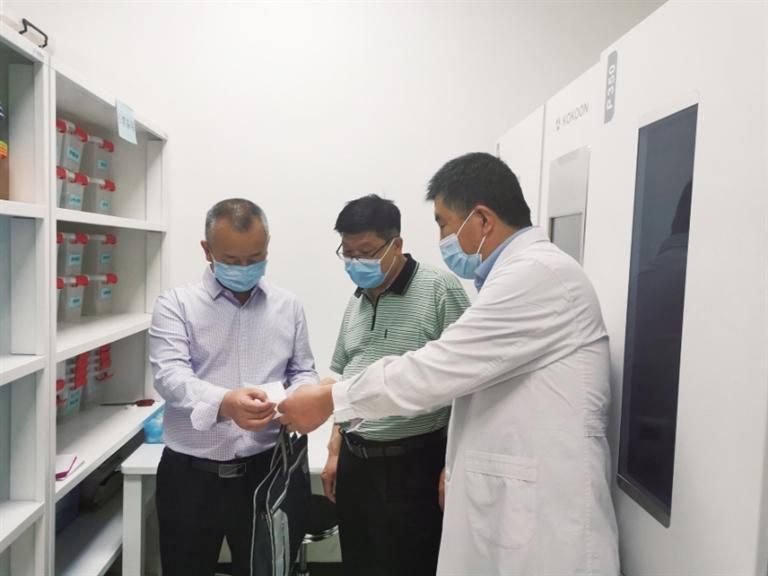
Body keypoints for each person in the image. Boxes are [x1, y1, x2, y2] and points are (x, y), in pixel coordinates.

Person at [278, 153, 620, 575]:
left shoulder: (537, 276)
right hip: (392, 468)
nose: (442, 237)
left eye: (443, 223)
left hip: (533, 514)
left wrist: (332, 399)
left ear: (482, 219)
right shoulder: (517, 276)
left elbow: (434, 371)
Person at [149, 198, 318, 576]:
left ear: (267, 247)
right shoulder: (176, 305)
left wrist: (300, 399)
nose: (244, 268)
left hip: (265, 472)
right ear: (207, 250)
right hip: (190, 477)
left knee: (266, 570)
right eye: (231, 260)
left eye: (255, 258)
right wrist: (225, 402)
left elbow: (303, 371)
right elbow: (169, 377)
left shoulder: (288, 306)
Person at [325, 194, 470, 576]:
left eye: (367, 252)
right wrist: (335, 450)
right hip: (356, 463)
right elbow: (345, 377)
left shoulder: (439, 289)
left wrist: (453, 466)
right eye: (348, 253)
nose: (356, 263)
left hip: (414, 464)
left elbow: (469, 385)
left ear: (397, 244)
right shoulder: (357, 301)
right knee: (359, 563)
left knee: (411, 565)